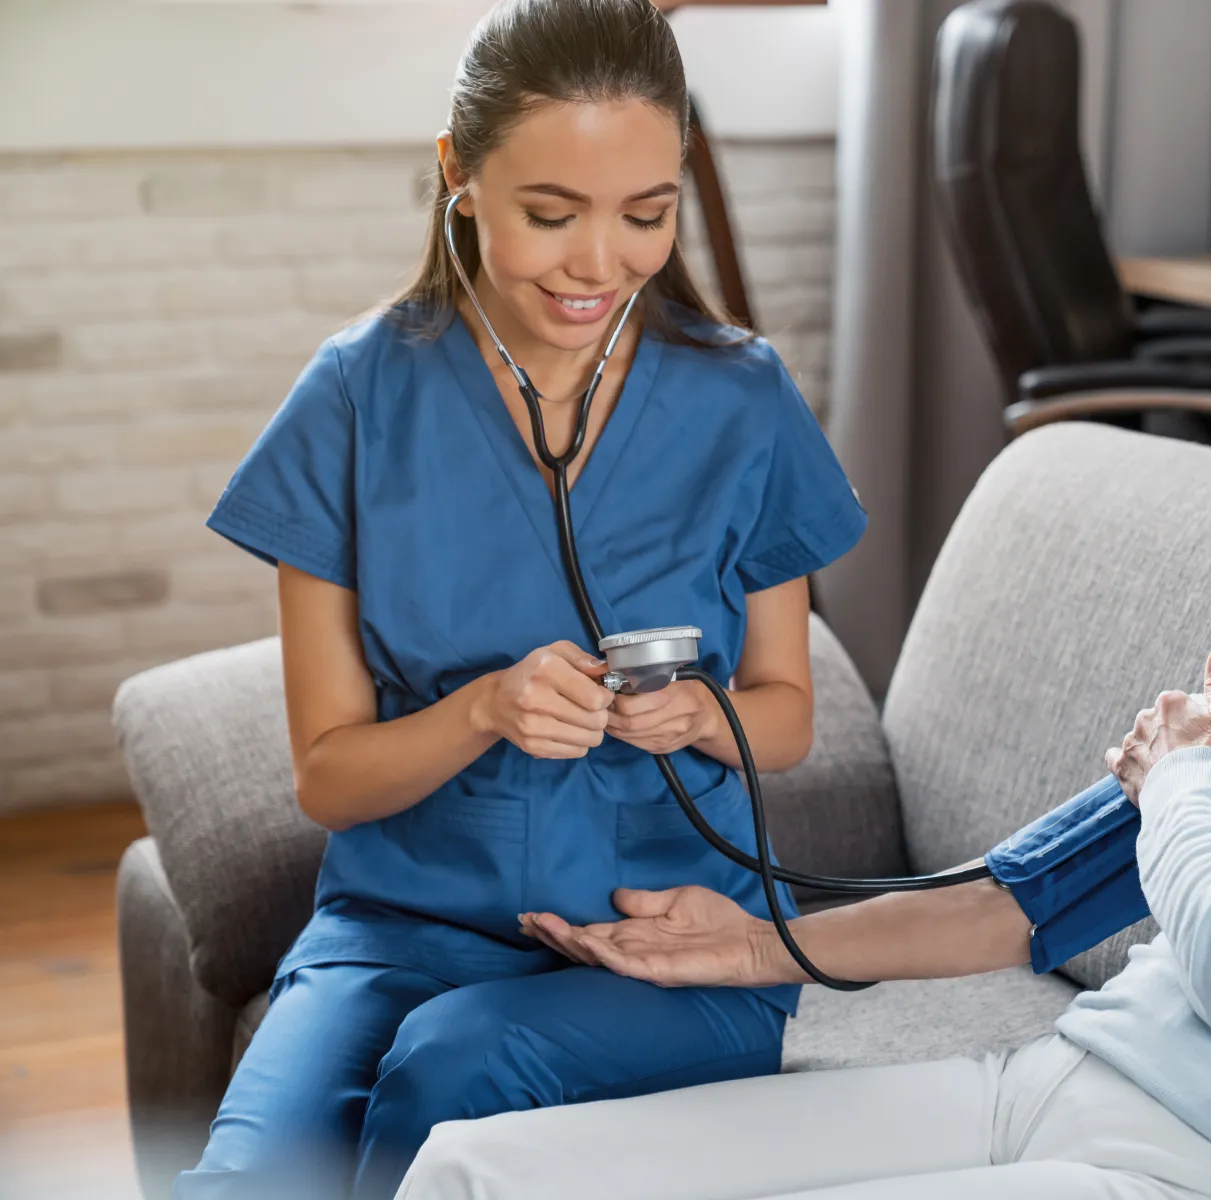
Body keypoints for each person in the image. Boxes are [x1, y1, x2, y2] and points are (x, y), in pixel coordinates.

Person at [396, 189, 1211, 1200]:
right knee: (477, 1173)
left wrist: (1184, 777)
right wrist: (754, 944)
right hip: (1059, 1079)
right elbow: (1048, 890)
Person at [177, 1, 865, 1196]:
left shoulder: (744, 403)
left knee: (456, 1064)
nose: (599, 263)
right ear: (460, 176)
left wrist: (705, 716)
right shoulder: (353, 399)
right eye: (552, 215)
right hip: (399, 932)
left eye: (646, 214)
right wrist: (483, 711)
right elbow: (327, 773)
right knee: (248, 1178)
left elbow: (789, 715)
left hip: (675, 939)